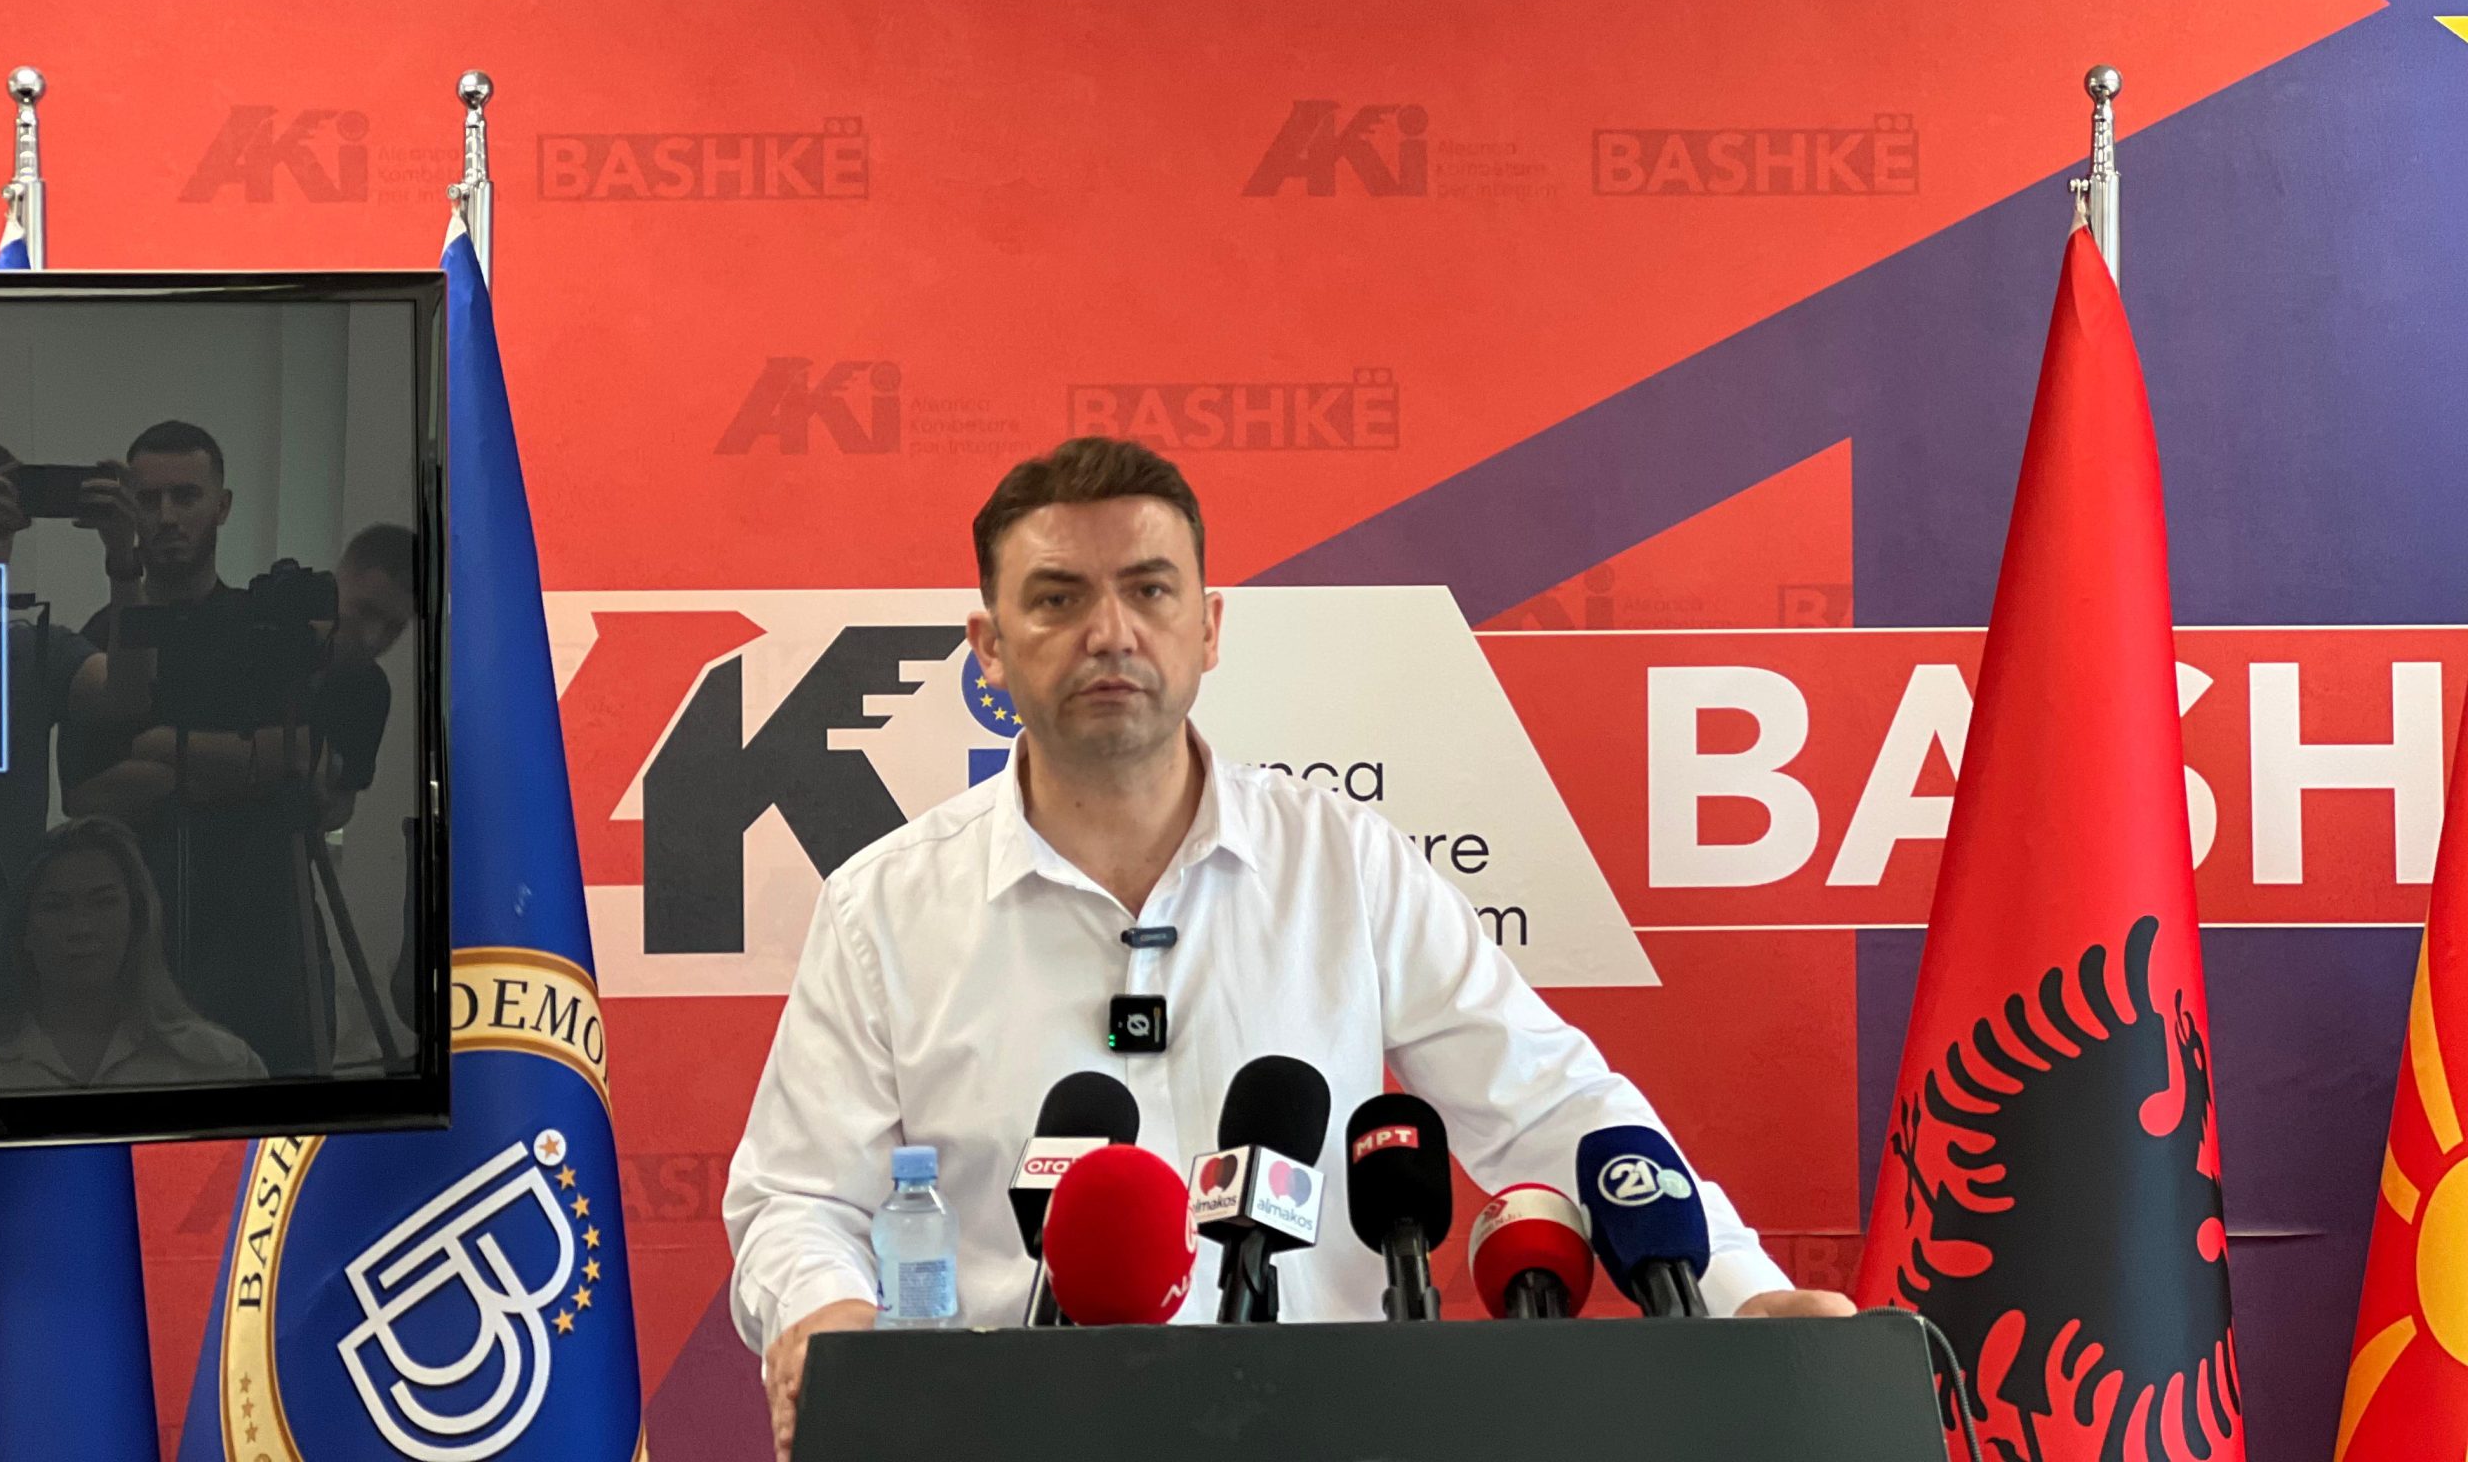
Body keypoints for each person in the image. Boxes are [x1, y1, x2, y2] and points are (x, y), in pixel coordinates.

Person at [725, 437, 1854, 1453]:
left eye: (1149, 590)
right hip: (1009, 1435)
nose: (1110, 633)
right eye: (1058, 598)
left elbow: (1548, 1106)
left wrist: (1745, 1295)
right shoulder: (884, 908)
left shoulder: (1343, 864)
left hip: (1315, 1428)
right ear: (988, 648)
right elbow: (797, 1198)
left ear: (1209, 628)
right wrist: (825, 1317)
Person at [60, 424, 393, 1074]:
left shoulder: (270, 633)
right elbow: (87, 798)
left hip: (273, 946)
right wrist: (249, 763)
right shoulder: (103, 642)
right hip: (140, 954)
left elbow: (319, 774)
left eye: (186, 496)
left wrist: (163, 753)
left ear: (223, 505)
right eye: (148, 499)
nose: (166, 517)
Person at [0, 434, 150, 1080]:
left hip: (4, 950)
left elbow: (127, 695)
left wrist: (125, 564)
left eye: (2, 528)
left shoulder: (29, 647)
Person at [0, 815, 264, 1093]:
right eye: (56, 906)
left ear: (136, 920)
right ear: (24, 932)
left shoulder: (220, 1068)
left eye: (104, 903)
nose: (81, 928)